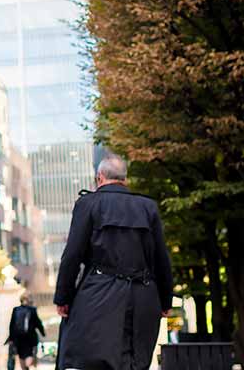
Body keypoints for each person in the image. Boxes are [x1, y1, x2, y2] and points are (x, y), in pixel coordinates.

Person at [54, 154, 173, 370]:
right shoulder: (148, 207)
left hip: (100, 295)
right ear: (124, 179)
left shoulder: (88, 204)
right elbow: (161, 260)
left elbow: (72, 255)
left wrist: (63, 297)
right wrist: (165, 302)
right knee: (135, 362)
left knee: (94, 360)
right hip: (143, 298)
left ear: (100, 177)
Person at [6, 296, 45, 370]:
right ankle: (28, 365)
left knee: (21, 356)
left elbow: (12, 325)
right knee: (28, 354)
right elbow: (38, 323)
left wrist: (12, 338)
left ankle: (25, 367)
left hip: (19, 339)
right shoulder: (32, 310)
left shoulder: (16, 310)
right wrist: (42, 332)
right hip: (29, 338)